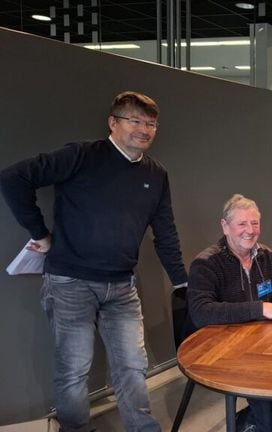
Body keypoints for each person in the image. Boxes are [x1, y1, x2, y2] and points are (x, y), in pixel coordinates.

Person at [0, 91, 187, 432]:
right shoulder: (82, 155)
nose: (144, 129)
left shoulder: (156, 174)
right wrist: (40, 235)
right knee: (74, 369)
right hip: (70, 283)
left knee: (132, 365)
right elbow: (13, 178)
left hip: (122, 287)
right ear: (113, 123)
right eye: (136, 121)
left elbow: (166, 231)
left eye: (151, 123)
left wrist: (181, 280)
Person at [187, 194, 272, 432]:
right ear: (225, 226)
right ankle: (259, 423)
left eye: (255, 223)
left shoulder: (266, 256)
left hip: (263, 344)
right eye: (242, 224)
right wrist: (262, 308)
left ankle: (249, 421)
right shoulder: (206, 263)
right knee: (263, 381)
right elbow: (201, 312)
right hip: (221, 348)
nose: (250, 230)